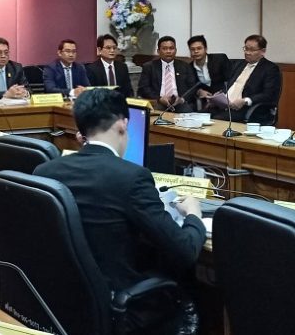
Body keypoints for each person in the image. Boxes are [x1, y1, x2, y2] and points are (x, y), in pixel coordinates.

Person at [33, 89, 205, 328]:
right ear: (123, 125)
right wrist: (194, 214)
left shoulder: (44, 171)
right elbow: (185, 250)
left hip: (62, 301)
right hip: (121, 305)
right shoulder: (132, 178)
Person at [214, 34, 281, 123]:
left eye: (252, 50)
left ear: (263, 51)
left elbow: (268, 94)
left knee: (216, 120)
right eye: (246, 48)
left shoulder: (270, 69)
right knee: (200, 114)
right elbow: (230, 84)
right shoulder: (238, 64)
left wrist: (245, 100)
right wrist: (218, 96)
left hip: (245, 109)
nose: (247, 52)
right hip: (223, 106)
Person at [138, 36, 197, 112]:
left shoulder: (185, 66)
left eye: (171, 48)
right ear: (158, 51)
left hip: (180, 103)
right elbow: (144, 88)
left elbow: (192, 87)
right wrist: (159, 98)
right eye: (165, 49)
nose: (168, 51)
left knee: (188, 113)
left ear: (175, 50)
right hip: (158, 102)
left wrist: (182, 99)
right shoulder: (149, 67)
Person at [187, 35, 230, 101]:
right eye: (192, 49)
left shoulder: (220, 59)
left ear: (205, 49)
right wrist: (199, 91)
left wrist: (222, 93)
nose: (196, 51)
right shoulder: (188, 68)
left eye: (199, 48)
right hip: (205, 99)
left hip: (225, 96)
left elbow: (231, 79)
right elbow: (190, 86)